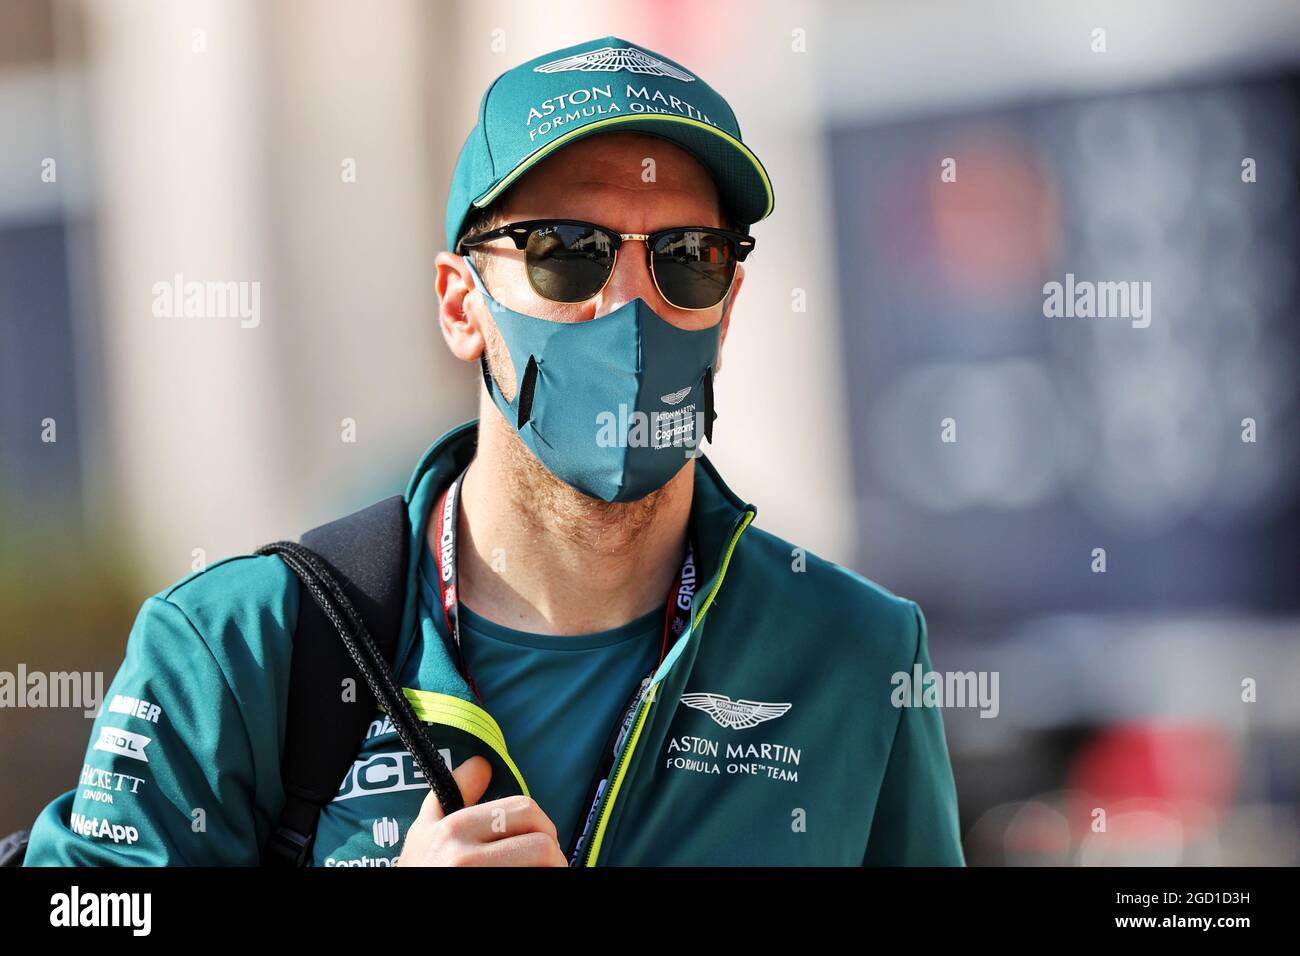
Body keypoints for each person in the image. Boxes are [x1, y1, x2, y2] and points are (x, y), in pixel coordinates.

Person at [24, 35, 963, 867]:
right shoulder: (241, 649)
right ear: (461, 304)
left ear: (728, 311)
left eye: (687, 256)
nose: (629, 309)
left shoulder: (857, 654)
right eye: (568, 249)